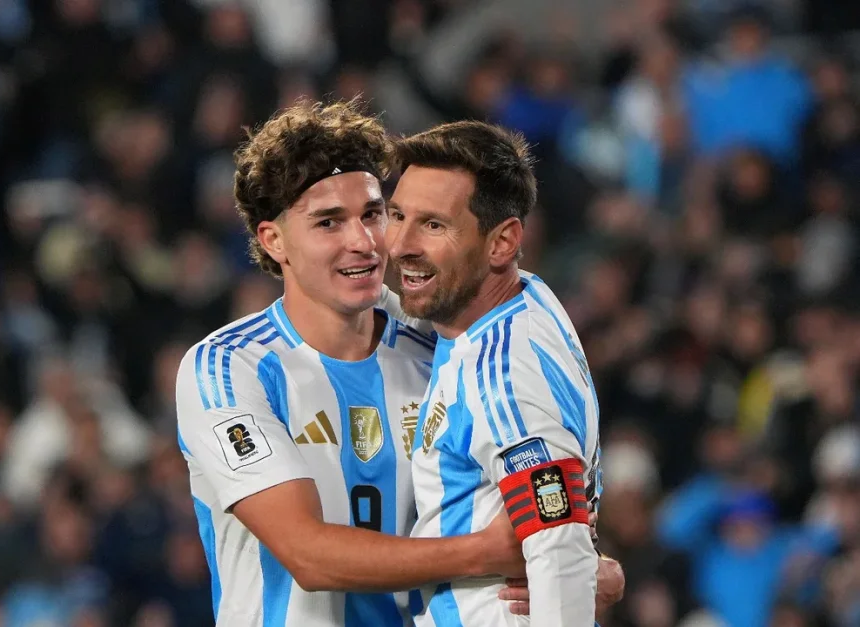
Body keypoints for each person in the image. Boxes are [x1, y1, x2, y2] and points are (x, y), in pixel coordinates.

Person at [176, 99, 621, 626]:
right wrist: (497, 551)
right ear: (274, 241)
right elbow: (308, 555)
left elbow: (531, 477)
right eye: (328, 223)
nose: (363, 243)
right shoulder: (228, 369)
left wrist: (580, 562)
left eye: (373, 214)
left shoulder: (446, 344)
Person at [386, 120, 604, 626]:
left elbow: (558, 541)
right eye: (398, 216)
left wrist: (583, 574)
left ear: (502, 243)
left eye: (434, 225)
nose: (400, 245)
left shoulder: (501, 373)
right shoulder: (522, 300)